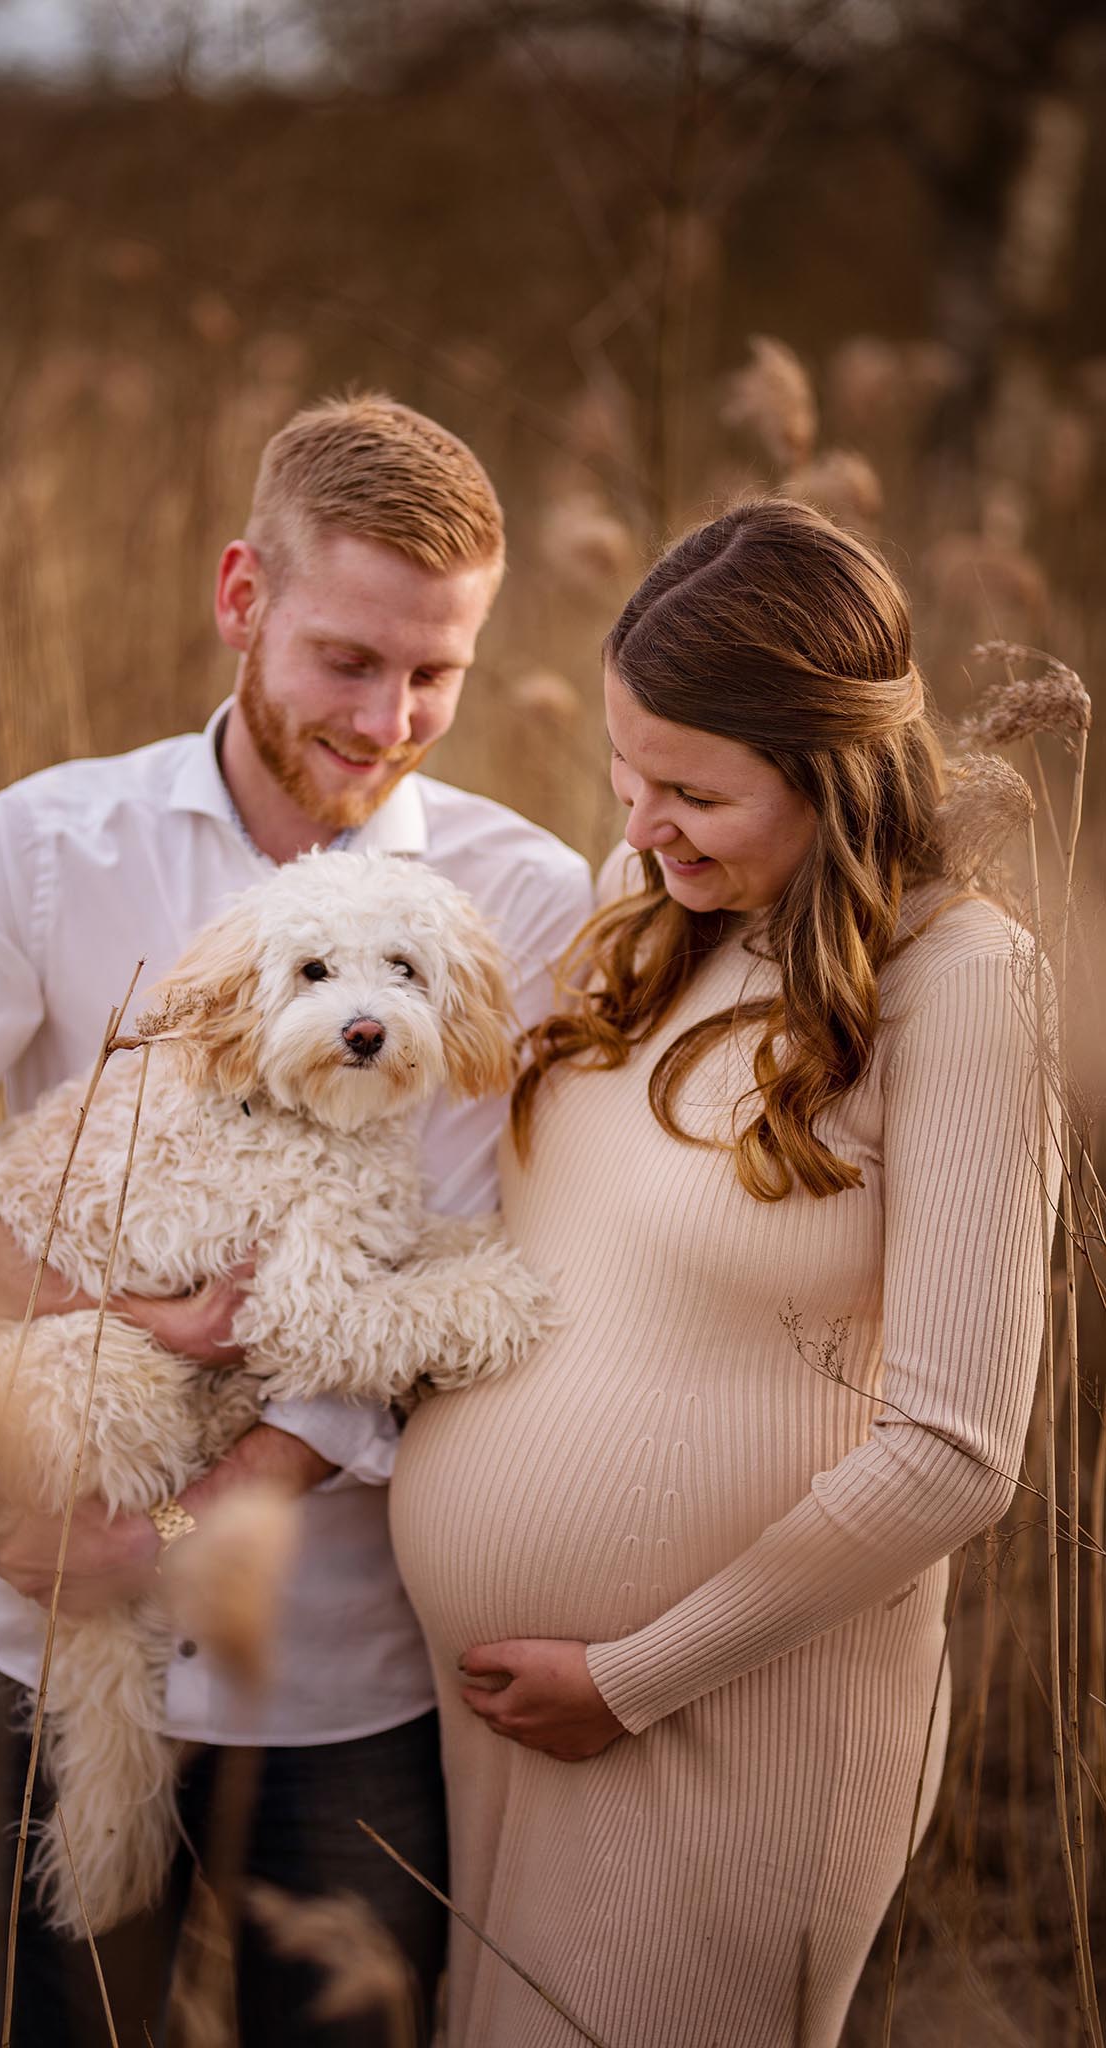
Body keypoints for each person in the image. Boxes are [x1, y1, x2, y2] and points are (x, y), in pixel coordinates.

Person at [0, 394, 592, 2047]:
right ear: (242, 597)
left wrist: (162, 1535)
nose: (389, 721)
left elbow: (409, 1275)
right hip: (32, 1625)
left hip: (346, 1670)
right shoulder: (46, 844)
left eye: (434, 671)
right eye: (346, 660)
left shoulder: (521, 903)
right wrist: (100, 1320)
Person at [390, 498, 1049, 2047]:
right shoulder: (663, 929)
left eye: (692, 789)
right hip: (515, 1721)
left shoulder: (965, 985)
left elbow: (958, 1456)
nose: (639, 826)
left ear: (836, 771)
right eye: (627, 777)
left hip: (727, 1723)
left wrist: (631, 1677)